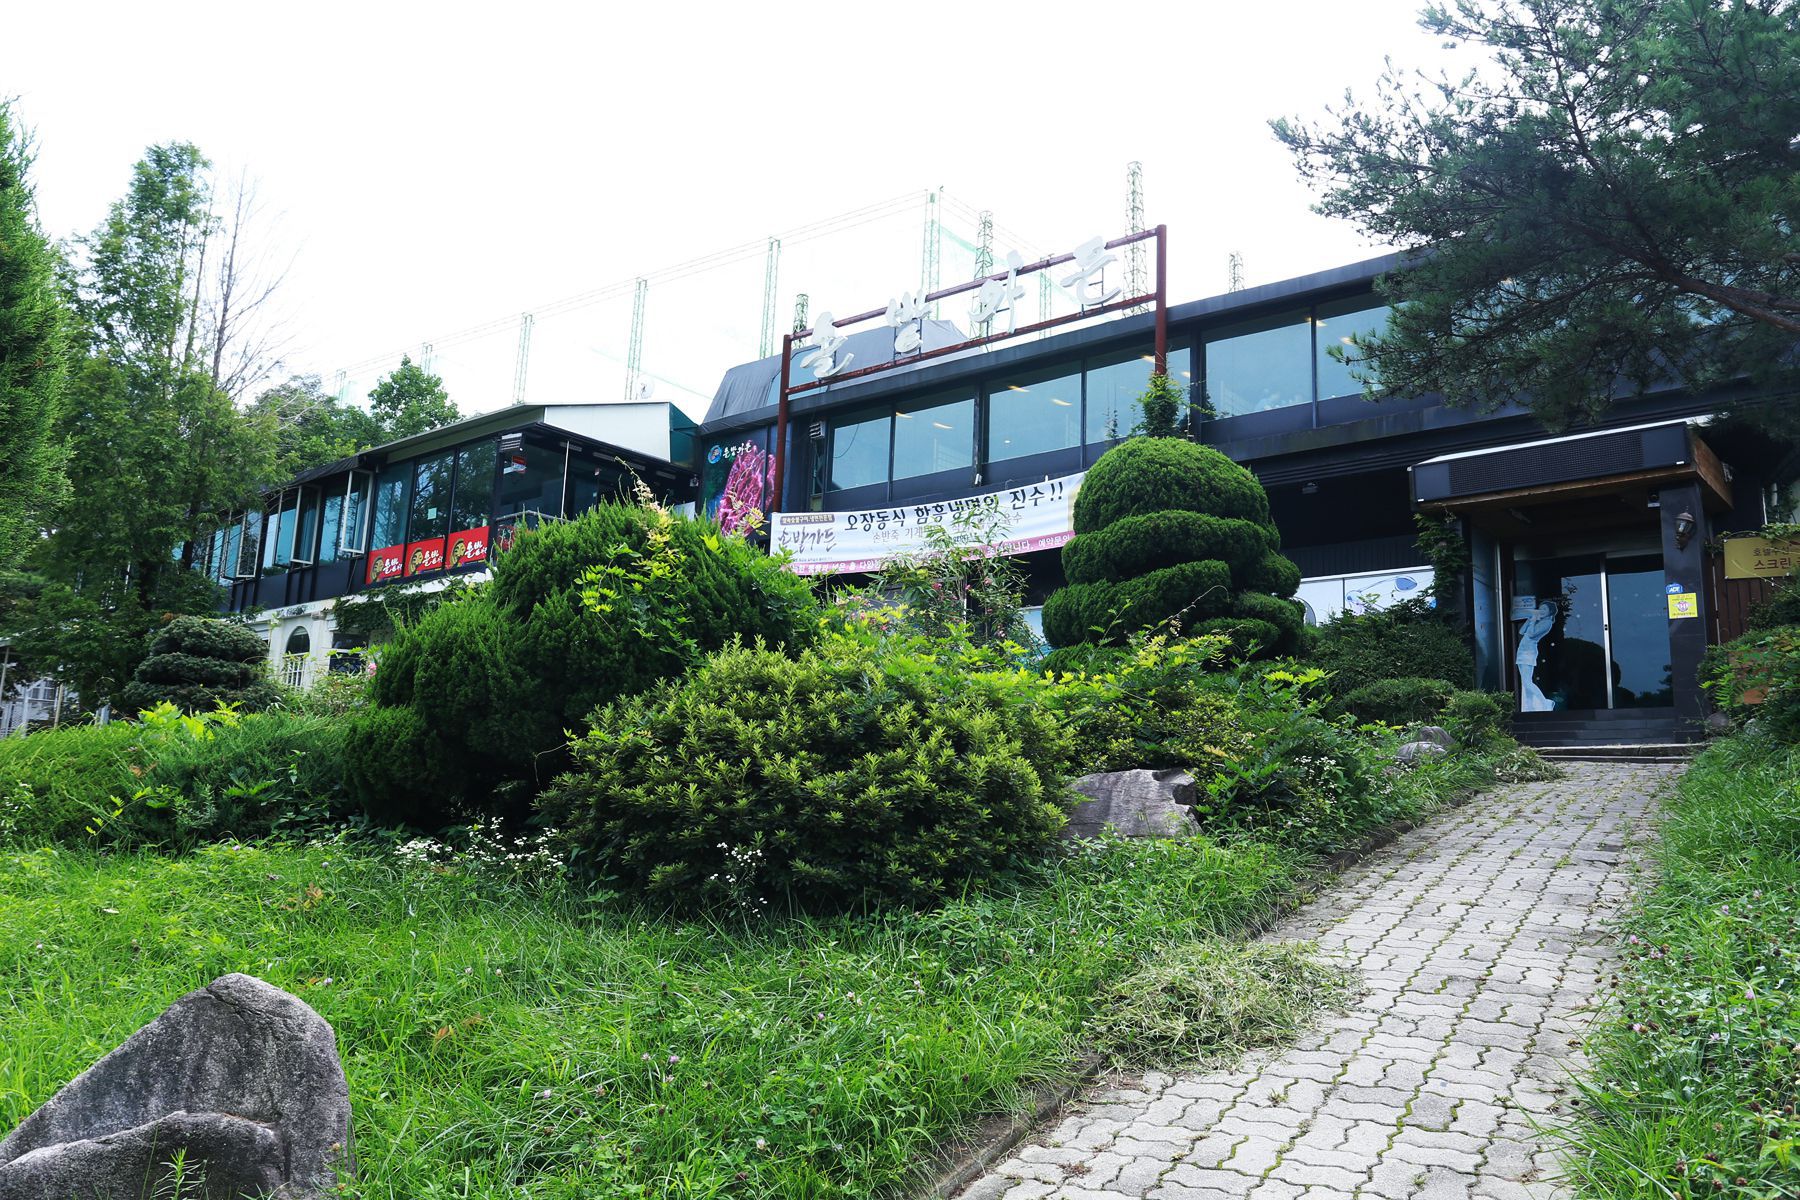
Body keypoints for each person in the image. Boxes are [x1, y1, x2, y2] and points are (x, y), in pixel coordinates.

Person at [1516, 600, 1559, 712]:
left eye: (1545, 609)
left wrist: (1534, 620)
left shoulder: (1547, 623)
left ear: (1550, 612)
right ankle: (1529, 707)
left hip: (1528, 652)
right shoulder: (1537, 620)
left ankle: (1546, 703)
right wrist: (1530, 619)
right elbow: (1521, 631)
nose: (1541, 610)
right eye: (1540, 608)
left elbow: (1531, 634)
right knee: (1525, 682)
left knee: (1527, 682)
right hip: (1522, 650)